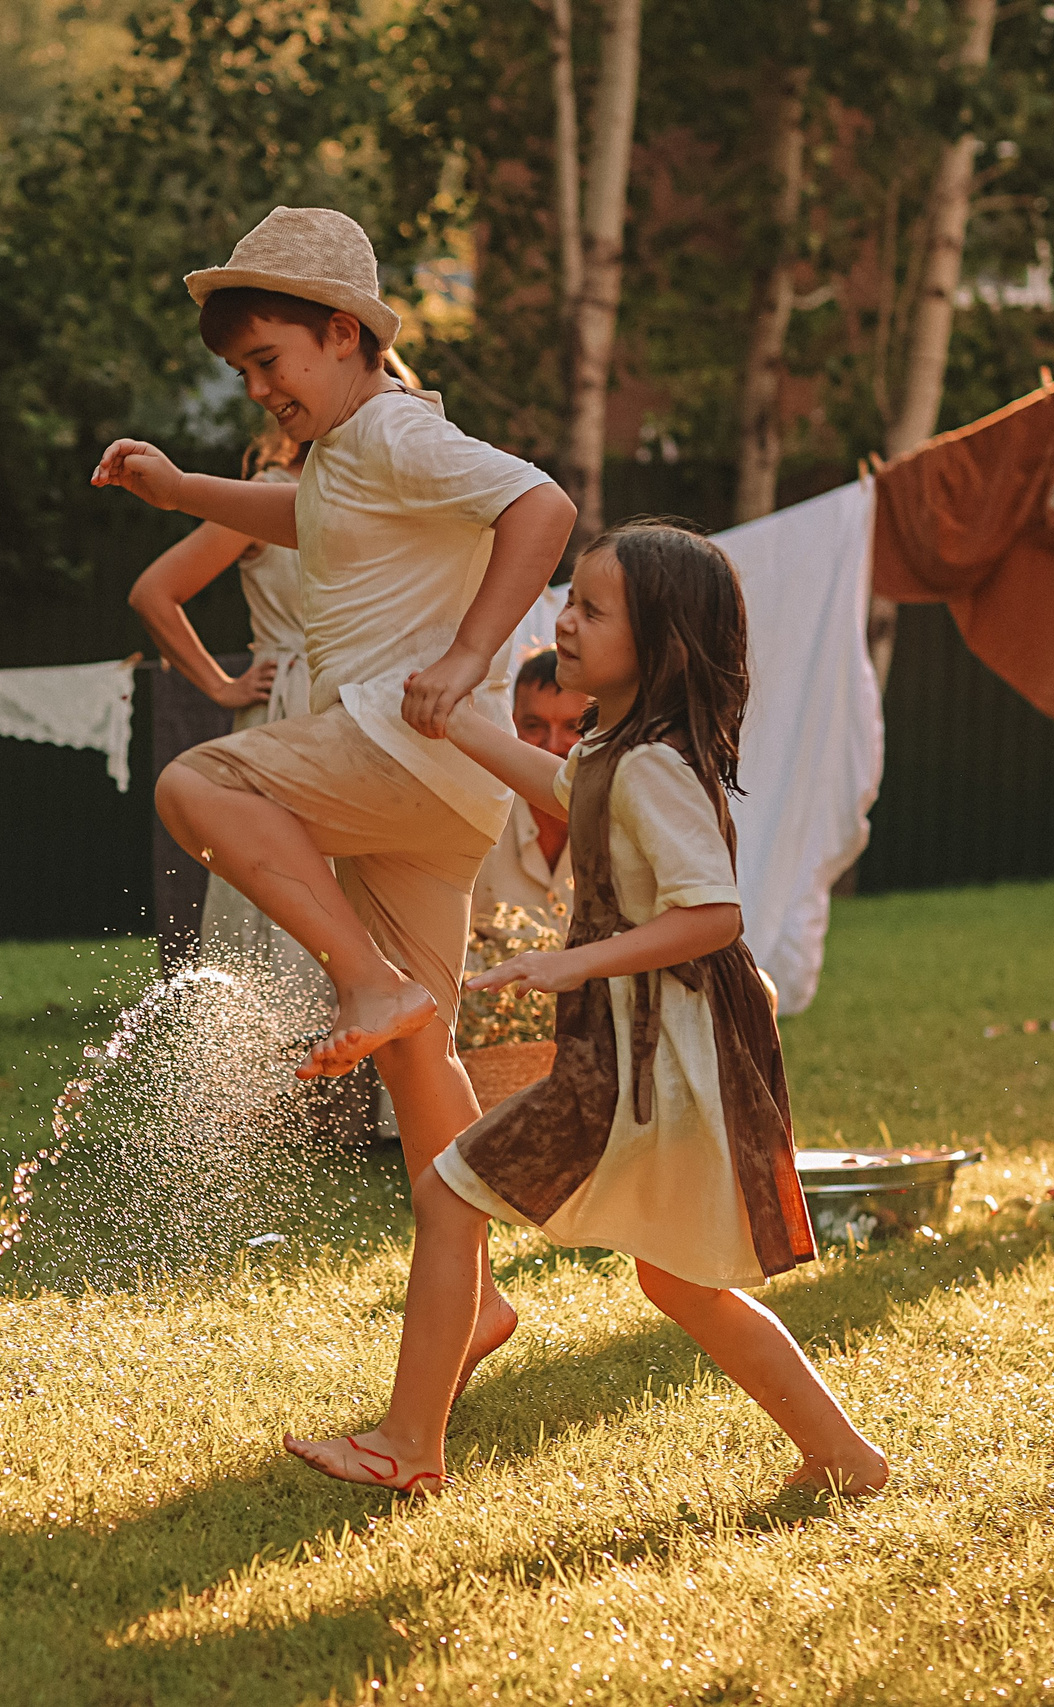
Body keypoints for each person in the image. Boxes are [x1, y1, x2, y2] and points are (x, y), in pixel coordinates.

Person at [283, 524, 889, 1500]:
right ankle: (844, 1459)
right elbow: (567, 785)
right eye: (572, 600)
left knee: (446, 1195)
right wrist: (457, 724)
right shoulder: (620, 748)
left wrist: (574, 965)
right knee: (678, 1281)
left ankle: (407, 1446)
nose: (565, 619)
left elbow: (713, 917)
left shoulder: (652, 766)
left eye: (592, 609)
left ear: (660, 646)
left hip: (648, 1069)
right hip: (652, 1067)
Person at [93, 206, 576, 1389]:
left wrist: (469, 657)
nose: (259, 388)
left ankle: (361, 980)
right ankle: (475, 1302)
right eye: (243, 371)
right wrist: (178, 495)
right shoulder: (348, 458)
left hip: (399, 745)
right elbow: (298, 520)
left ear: (349, 335)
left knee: (198, 781)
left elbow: (544, 507)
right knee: (421, 1057)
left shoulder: (399, 432)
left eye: (270, 362)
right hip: (437, 793)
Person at [127, 419, 316, 981]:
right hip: (293, 706)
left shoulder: (383, 494)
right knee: (281, 873)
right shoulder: (269, 493)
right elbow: (154, 593)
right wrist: (219, 685)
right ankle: (270, 1038)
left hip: (370, 702)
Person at [468, 645, 590, 938]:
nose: (552, 745)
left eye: (573, 727)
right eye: (534, 725)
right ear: (510, 724)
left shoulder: (625, 821)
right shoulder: (477, 814)